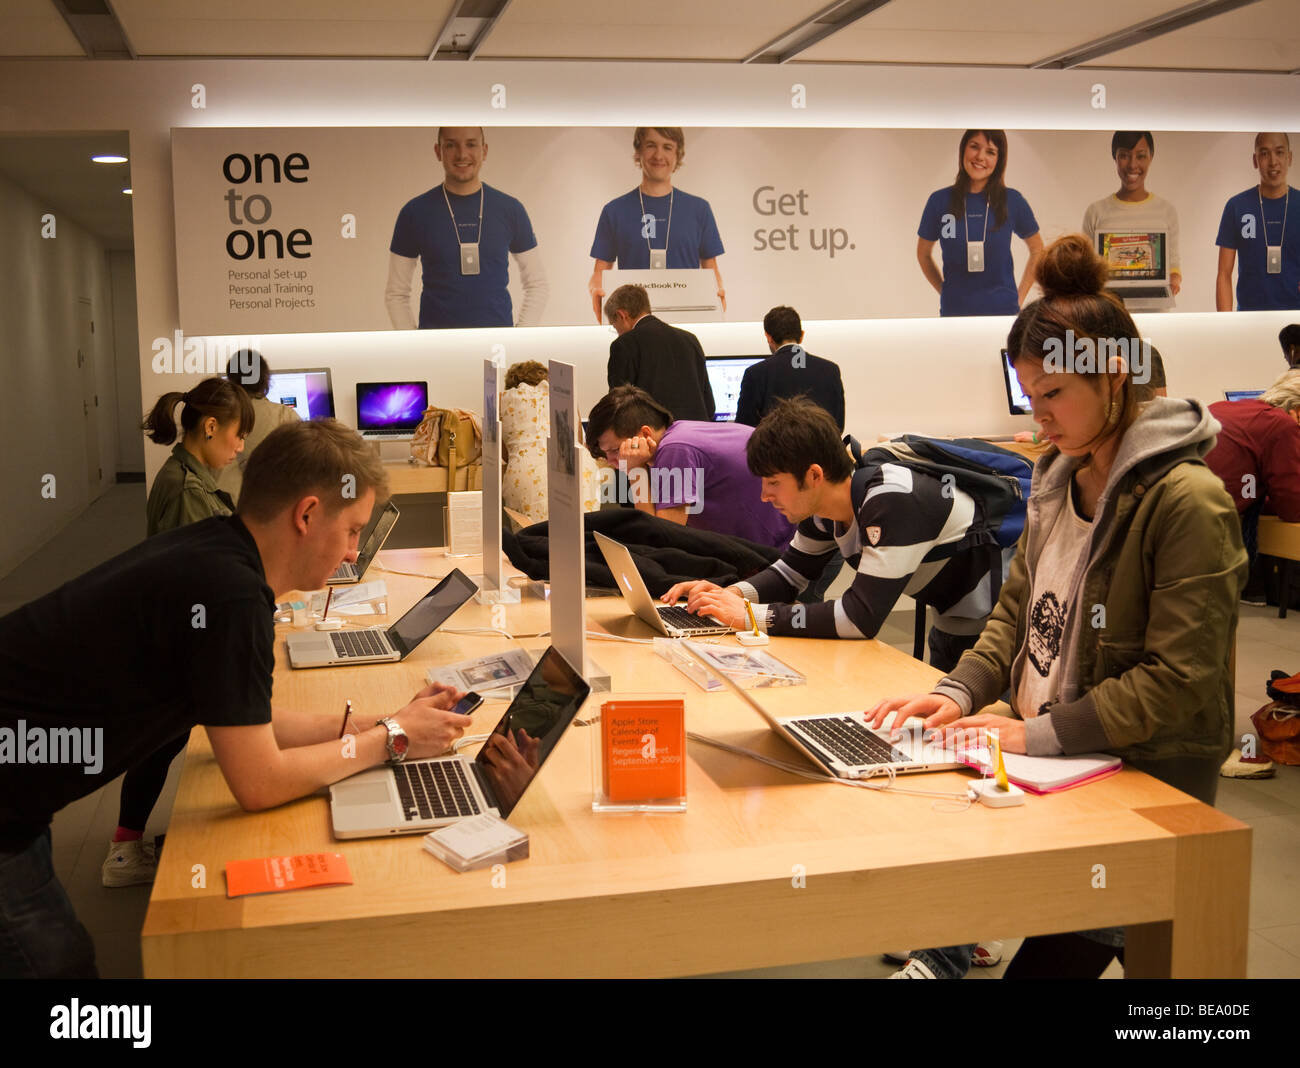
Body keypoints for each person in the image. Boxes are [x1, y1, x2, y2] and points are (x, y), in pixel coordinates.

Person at [867, 234, 1247, 980]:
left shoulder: (1187, 502)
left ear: (1114, 379)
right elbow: (1015, 616)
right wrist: (958, 693)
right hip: (1059, 771)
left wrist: (1033, 735)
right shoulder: (1055, 481)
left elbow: (1179, 682)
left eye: (1051, 397)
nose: (1037, 419)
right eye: (1028, 395)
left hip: (1137, 787)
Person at [0, 419, 475, 977]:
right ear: (306, 514)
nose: (353, 554)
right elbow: (259, 781)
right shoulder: (230, 597)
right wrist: (392, 741)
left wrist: (381, 721)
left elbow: (252, 720)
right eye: (351, 531)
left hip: (20, 790)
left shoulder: (218, 552)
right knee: (55, 965)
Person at [661, 398, 1007, 664]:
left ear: (814, 475)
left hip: (1001, 623)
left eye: (774, 483)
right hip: (957, 616)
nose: (765, 496)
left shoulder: (893, 501)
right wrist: (729, 596)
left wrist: (750, 616)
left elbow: (859, 619)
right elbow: (790, 573)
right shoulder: (825, 507)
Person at [101, 378, 257, 886]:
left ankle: (128, 843)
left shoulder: (188, 475)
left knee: (165, 739)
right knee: (162, 739)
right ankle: (124, 852)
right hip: (175, 639)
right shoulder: (189, 491)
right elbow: (200, 582)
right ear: (210, 427)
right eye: (237, 436)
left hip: (170, 633)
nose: (238, 448)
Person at [585, 385, 792, 549]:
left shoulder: (675, 449)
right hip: (778, 541)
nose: (611, 461)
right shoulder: (679, 434)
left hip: (786, 548)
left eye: (614, 450)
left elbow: (659, 538)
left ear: (645, 434)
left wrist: (633, 470)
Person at [387, 126, 548, 329]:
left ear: (484, 150)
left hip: (498, 346)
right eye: (451, 145)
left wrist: (519, 337)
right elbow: (396, 293)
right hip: (435, 349)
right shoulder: (413, 212)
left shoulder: (511, 209)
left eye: (471, 144)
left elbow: (537, 284)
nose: (462, 154)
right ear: (438, 151)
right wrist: (415, 345)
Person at [587, 127, 726, 323]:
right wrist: (596, 289)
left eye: (667, 147)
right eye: (651, 145)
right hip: (633, 322)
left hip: (687, 317)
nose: (659, 155)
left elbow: (711, 268)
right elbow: (600, 272)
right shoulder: (614, 210)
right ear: (638, 152)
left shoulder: (699, 209)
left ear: (677, 155)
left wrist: (717, 291)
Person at [917, 129, 1044, 317]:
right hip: (954, 314)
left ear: (999, 160)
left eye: (990, 152)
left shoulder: (1012, 200)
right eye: (974, 147)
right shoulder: (939, 201)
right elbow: (923, 255)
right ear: (963, 150)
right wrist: (946, 293)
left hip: (1003, 314)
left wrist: (1019, 298)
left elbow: (1038, 250)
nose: (980, 157)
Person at [1081, 131, 1182, 305]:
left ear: (1151, 157)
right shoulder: (1096, 211)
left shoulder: (1166, 211)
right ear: (1115, 158)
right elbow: (1086, 269)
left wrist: (1173, 280)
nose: (1132, 164)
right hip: (1108, 310)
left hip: (1154, 316)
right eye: (1124, 156)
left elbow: (1173, 265)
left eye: (1141, 156)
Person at [498, 360, 601, 524]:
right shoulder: (563, 396)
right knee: (581, 533)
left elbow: (504, 453)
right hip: (577, 469)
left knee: (534, 538)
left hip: (527, 473)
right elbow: (578, 441)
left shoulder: (504, 400)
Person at [605, 284, 716, 423]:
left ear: (622, 315)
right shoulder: (690, 339)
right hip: (695, 435)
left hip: (653, 438)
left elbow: (619, 407)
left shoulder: (624, 344)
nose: (617, 332)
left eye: (615, 326)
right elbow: (709, 406)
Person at [1216, 133, 1300, 311]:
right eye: (1264, 153)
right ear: (1255, 160)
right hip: (1249, 316)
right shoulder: (1236, 206)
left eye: (1279, 152)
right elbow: (1224, 274)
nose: (1273, 161)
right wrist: (1224, 326)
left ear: (1290, 157)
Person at [735, 306, 845, 431]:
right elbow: (838, 426)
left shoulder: (755, 374)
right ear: (802, 335)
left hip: (772, 450)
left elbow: (744, 428)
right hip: (821, 449)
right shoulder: (831, 370)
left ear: (768, 337)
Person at [216, 350, 301, 504]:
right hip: (270, 508)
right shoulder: (285, 415)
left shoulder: (216, 417)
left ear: (230, 380)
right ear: (265, 379)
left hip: (225, 507)